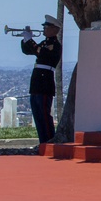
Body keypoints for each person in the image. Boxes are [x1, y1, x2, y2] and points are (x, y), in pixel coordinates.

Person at [20, 14, 62, 143]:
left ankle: (49, 140)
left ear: (54, 29)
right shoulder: (45, 42)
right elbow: (28, 51)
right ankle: (42, 141)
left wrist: (30, 40)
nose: (44, 29)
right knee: (37, 114)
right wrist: (25, 39)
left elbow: (41, 52)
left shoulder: (54, 45)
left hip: (45, 81)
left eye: (47, 27)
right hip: (38, 81)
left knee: (44, 114)